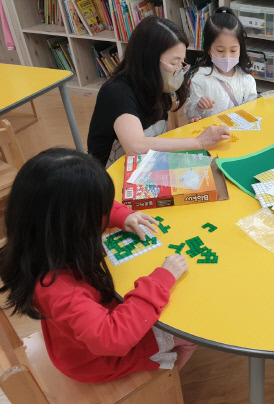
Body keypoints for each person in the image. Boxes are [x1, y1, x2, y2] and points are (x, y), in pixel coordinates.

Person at [0, 148, 197, 383]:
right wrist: (161, 280)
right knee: (189, 335)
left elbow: (86, 202)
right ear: (75, 224)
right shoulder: (60, 289)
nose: (104, 215)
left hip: (81, 339)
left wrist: (122, 215)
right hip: (97, 361)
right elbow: (113, 338)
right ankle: (168, 379)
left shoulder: (38, 240)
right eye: (100, 214)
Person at [87, 16, 229, 168]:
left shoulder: (156, 85)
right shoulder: (116, 92)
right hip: (110, 177)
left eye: (181, 63)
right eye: (174, 63)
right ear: (148, 60)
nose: (178, 70)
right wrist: (198, 142)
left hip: (146, 165)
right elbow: (136, 146)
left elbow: (158, 136)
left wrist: (190, 134)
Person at [183, 7, 257, 120]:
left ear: (240, 49)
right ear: (209, 49)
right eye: (220, 51)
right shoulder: (200, 79)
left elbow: (253, 112)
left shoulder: (247, 80)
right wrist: (198, 106)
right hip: (210, 135)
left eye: (233, 51)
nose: (227, 57)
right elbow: (189, 115)